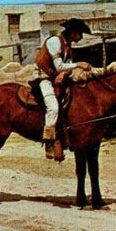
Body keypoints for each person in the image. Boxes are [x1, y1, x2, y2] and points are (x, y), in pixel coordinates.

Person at [32, 17, 93, 162]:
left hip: (55, 77)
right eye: (80, 34)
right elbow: (59, 66)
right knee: (53, 107)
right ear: (72, 32)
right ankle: (49, 143)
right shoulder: (54, 42)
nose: (81, 37)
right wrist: (79, 65)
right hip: (43, 77)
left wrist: (66, 73)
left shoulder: (68, 46)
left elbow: (65, 68)